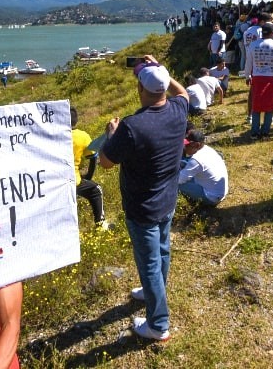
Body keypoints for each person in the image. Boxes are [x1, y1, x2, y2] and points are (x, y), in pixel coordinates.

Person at [99, 56, 188, 341]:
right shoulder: (178, 110)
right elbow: (183, 92)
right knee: (162, 251)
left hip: (142, 207)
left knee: (149, 263)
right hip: (167, 199)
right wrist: (164, 68)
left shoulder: (132, 126)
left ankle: (158, 325)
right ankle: (155, 290)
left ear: (140, 88)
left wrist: (111, 135)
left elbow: (105, 162)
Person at [243, 22, 273, 140]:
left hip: (257, 77)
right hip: (271, 78)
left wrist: (247, 76)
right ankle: (265, 131)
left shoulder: (253, 45)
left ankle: (254, 132)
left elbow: (248, 62)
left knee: (256, 105)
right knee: (269, 105)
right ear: (272, 33)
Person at [70, 107, 108, 229]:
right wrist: (89, 177)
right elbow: (93, 157)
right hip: (73, 180)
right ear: (76, 121)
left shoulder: (51, 135)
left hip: (51, 182)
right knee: (96, 190)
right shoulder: (81, 136)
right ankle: (100, 225)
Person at [177, 129, 229, 206]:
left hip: (212, 197)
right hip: (219, 192)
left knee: (173, 183)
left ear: (197, 145)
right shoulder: (207, 149)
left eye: (188, 145)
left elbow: (178, 180)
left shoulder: (196, 160)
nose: (185, 147)